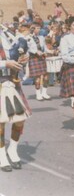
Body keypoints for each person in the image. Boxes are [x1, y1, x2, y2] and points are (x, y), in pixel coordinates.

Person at [0, 27, 31, 172]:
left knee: (19, 119)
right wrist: (5, 64)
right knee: (0, 123)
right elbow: (6, 61)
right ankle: (1, 156)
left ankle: (12, 150)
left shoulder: (9, 35)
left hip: (12, 81)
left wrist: (23, 60)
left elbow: (16, 56)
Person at [27, 21, 51, 101]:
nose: (38, 30)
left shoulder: (41, 37)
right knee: (37, 77)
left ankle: (44, 93)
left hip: (42, 58)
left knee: (46, 76)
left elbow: (45, 48)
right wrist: (35, 51)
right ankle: (38, 94)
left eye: (39, 28)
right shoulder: (28, 37)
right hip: (34, 58)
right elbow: (27, 48)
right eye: (37, 28)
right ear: (32, 29)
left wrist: (51, 51)